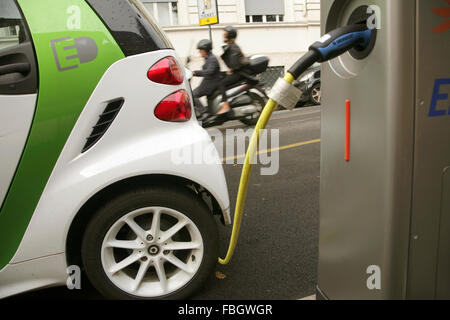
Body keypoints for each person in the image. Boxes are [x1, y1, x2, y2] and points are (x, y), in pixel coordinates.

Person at [217, 26, 250, 115]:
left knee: (221, 83)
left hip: (240, 73)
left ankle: (225, 105)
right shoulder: (232, 46)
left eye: (225, 34)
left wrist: (231, 70)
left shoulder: (233, 47)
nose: (223, 35)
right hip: (238, 71)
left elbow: (234, 64)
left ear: (229, 35)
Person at [192, 39, 221, 120]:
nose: (199, 51)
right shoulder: (208, 58)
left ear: (206, 50)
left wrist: (195, 73)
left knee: (193, 95)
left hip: (211, 83)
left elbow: (209, 72)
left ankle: (204, 113)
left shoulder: (212, 59)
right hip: (208, 82)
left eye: (200, 50)